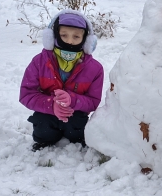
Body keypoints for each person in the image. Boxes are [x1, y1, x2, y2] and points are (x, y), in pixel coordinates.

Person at [19, 10, 104, 151]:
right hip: (47, 115)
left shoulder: (95, 69)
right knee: (42, 125)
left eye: (76, 36)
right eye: (64, 35)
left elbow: (93, 102)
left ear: (86, 40)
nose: (70, 41)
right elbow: (26, 94)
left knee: (78, 126)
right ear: (53, 37)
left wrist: (73, 100)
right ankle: (46, 139)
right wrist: (51, 105)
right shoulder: (39, 62)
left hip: (75, 116)